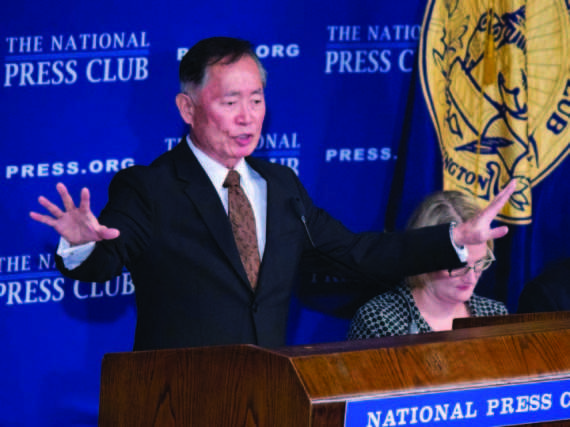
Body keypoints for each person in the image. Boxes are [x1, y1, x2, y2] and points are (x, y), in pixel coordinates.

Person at [29, 36, 516, 351]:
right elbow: (106, 261)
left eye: (257, 100)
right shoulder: (150, 187)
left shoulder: (279, 186)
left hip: (267, 401)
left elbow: (358, 253)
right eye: (230, 101)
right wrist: (82, 243)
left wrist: (452, 238)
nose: (248, 117)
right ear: (187, 107)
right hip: (180, 401)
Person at [348, 191, 508, 339]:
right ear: (425, 254)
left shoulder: (494, 315)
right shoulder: (381, 319)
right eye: (459, 265)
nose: (471, 278)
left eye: (480, 263)